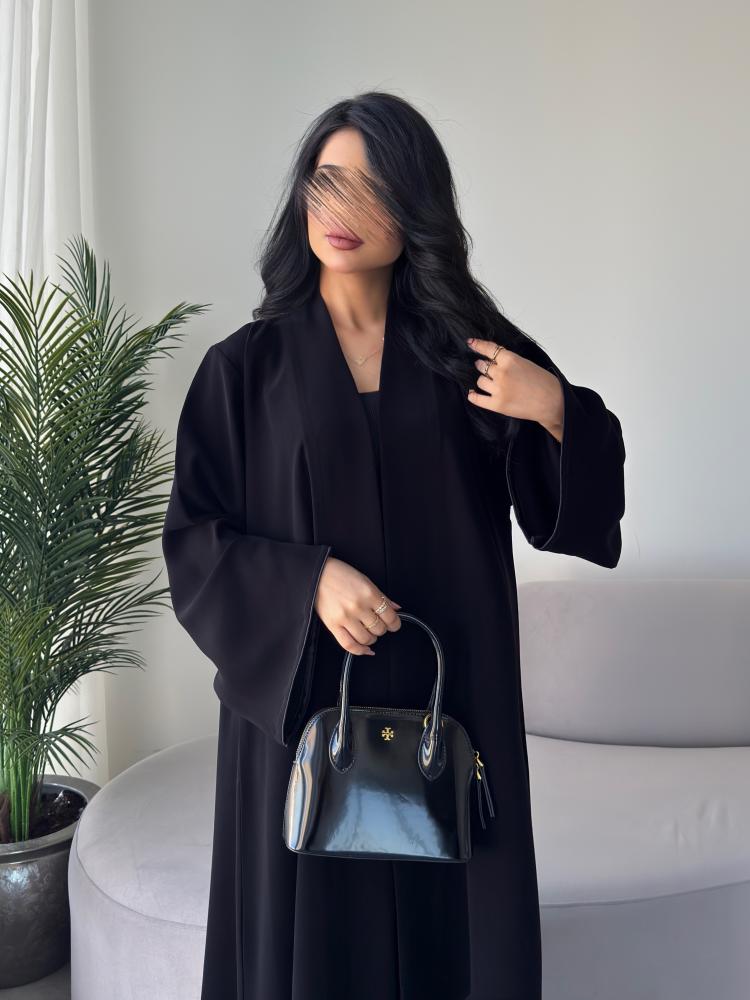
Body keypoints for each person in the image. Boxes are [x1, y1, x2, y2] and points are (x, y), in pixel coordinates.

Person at [161, 90, 626, 1000]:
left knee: (456, 925)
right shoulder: (243, 371)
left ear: (416, 210)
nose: (342, 211)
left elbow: (574, 501)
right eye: (326, 183)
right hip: (306, 706)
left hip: (452, 694)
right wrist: (307, 584)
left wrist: (554, 408)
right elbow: (195, 541)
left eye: (373, 191)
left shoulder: (466, 354)